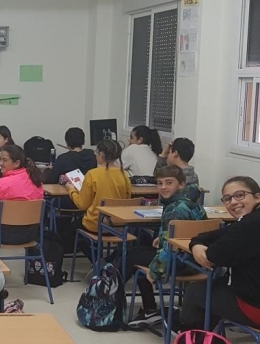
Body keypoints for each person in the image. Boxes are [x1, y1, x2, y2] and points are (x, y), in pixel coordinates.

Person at [173, 176, 260, 332]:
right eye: (227, 199)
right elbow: (218, 234)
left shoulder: (249, 225)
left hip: (255, 308)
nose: (233, 202)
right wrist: (196, 243)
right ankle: (199, 332)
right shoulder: (247, 222)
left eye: (239, 195)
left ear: (257, 196)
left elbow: (214, 256)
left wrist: (198, 246)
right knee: (215, 288)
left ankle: (186, 332)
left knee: (196, 291)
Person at [126, 165, 207, 329]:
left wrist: (155, 271)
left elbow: (169, 249)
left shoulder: (174, 210)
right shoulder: (193, 204)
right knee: (139, 251)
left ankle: (140, 307)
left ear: (182, 184)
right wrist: (162, 237)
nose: (163, 187)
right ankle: (146, 308)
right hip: (197, 261)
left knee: (132, 256)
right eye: (160, 183)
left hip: (180, 262)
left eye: (169, 183)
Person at [66, 139, 131, 236]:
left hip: (95, 224)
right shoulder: (124, 175)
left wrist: (71, 189)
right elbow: (127, 200)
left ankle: (91, 251)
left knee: (68, 232)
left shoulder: (93, 174)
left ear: (101, 154)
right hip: (118, 225)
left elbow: (82, 205)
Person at [0, 145, 44, 244]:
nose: (0, 163)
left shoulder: (4, 183)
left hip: (6, 235)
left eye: (4, 160)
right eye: (0, 159)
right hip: (31, 234)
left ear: (17, 163)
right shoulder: (36, 180)